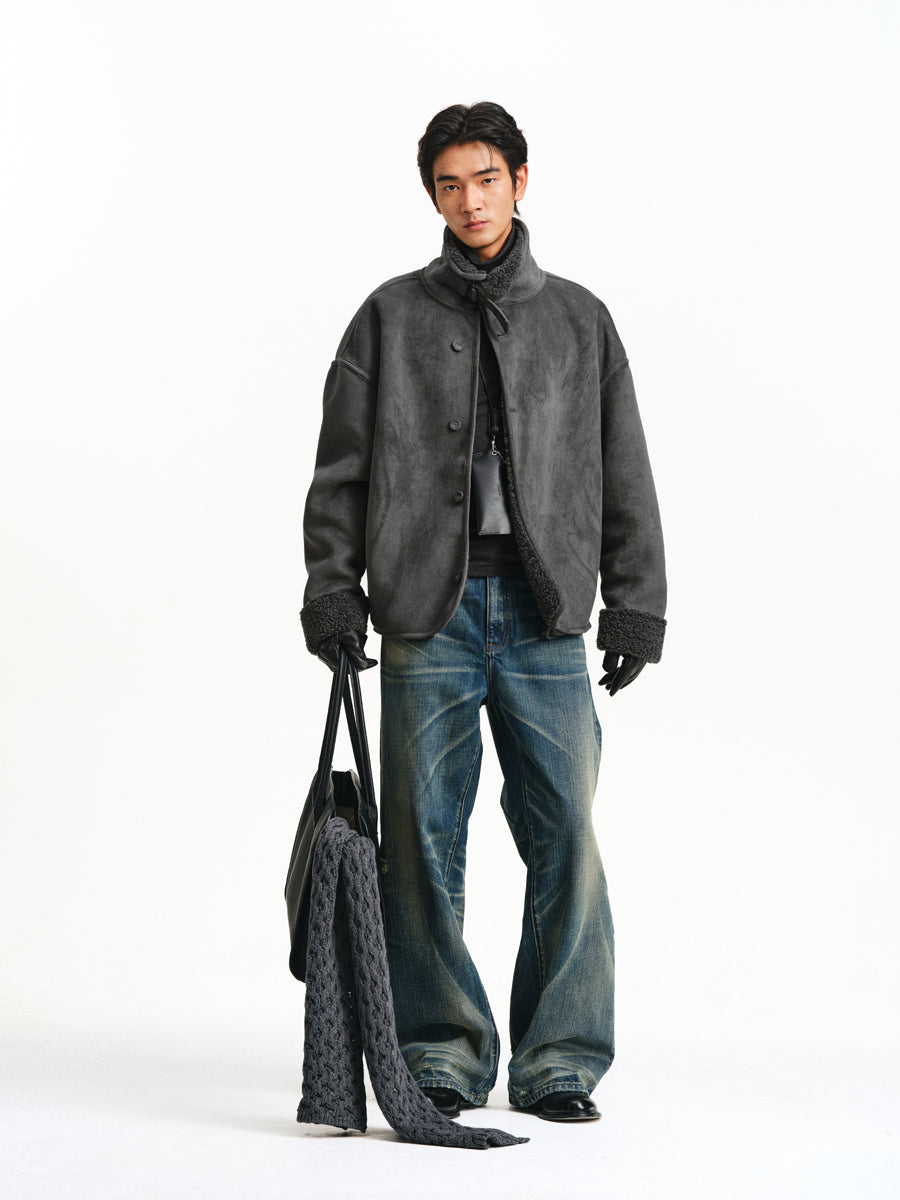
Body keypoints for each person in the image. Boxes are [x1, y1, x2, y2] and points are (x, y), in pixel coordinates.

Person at [300, 102, 666, 1123]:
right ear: (433, 195)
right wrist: (333, 593)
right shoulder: (386, 316)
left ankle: (560, 1059)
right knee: (422, 840)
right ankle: (440, 1053)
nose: (471, 200)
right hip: (428, 612)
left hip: (548, 616)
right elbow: (339, 474)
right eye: (450, 183)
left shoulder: (581, 320)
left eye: (487, 178)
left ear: (521, 181)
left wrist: (635, 606)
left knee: (567, 836)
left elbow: (625, 471)